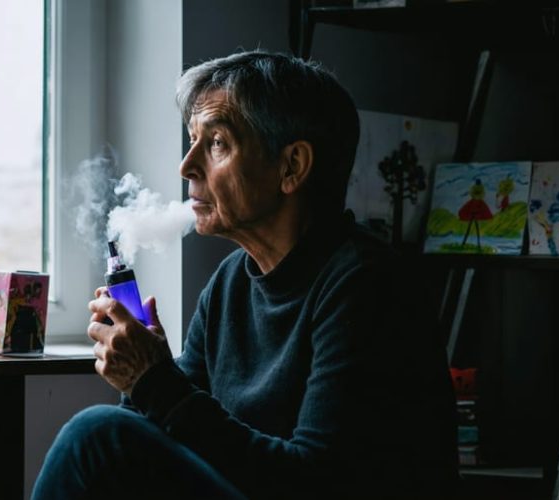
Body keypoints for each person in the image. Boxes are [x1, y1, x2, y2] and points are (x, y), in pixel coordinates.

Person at [32, 50, 458, 499]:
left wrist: (154, 381)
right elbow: (169, 432)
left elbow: (315, 482)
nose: (186, 166)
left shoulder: (368, 286)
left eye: (216, 142)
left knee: (98, 435)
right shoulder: (231, 281)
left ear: (291, 166)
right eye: (192, 139)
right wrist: (140, 380)